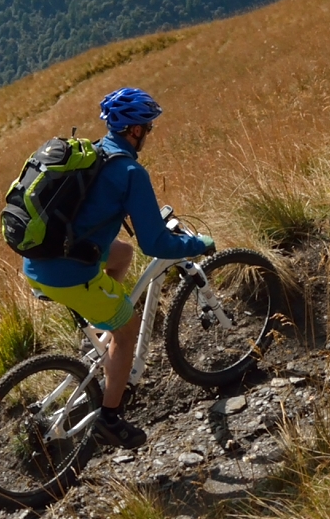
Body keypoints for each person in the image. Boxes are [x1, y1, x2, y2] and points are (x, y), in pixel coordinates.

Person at [21, 86, 212, 448]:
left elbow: (95, 208)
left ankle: (100, 329)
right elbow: (155, 244)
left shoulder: (93, 152)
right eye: (148, 128)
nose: (149, 134)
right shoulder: (129, 171)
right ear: (136, 130)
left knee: (121, 254)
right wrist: (199, 244)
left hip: (39, 260)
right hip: (68, 274)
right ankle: (110, 420)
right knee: (129, 333)